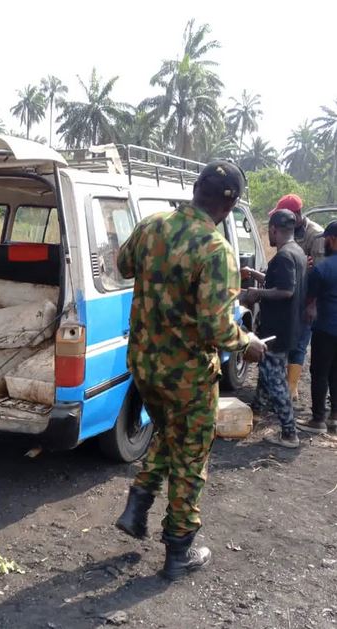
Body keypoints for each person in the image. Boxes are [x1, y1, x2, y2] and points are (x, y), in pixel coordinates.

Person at [114, 161, 266, 581]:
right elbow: (215, 326)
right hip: (188, 377)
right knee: (191, 457)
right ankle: (178, 552)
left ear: (197, 188)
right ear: (229, 205)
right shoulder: (216, 249)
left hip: (145, 366)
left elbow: (121, 266)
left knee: (169, 435)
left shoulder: (151, 225)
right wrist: (246, 343)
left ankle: (139, 499)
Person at [243, 210, 307, 448]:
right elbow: (278, 282)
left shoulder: (284, 257)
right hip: (288, 327)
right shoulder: (297, 252)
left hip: (277, 329)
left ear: (273, 229)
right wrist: (256, 276)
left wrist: (255, 293)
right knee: (267, 368)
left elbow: (286, 290)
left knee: (275, 378)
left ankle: (289, 433)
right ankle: (257, 410)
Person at [269, 194, 324, 400]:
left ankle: (291, 389)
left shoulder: (316, 235)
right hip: (294, 295)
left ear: (296, 214)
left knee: (300, 343)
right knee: (288, 341)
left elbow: (320, 275)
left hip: (308, 297)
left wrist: (312, 305)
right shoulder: (288, 233)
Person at [296, 220, 337, 434]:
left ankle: (318, 420)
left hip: (326, 328)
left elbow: (309, 299)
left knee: (319, 372)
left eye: (326, 241)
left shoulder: (322, 269)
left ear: (332, 240)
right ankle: (334, 417)